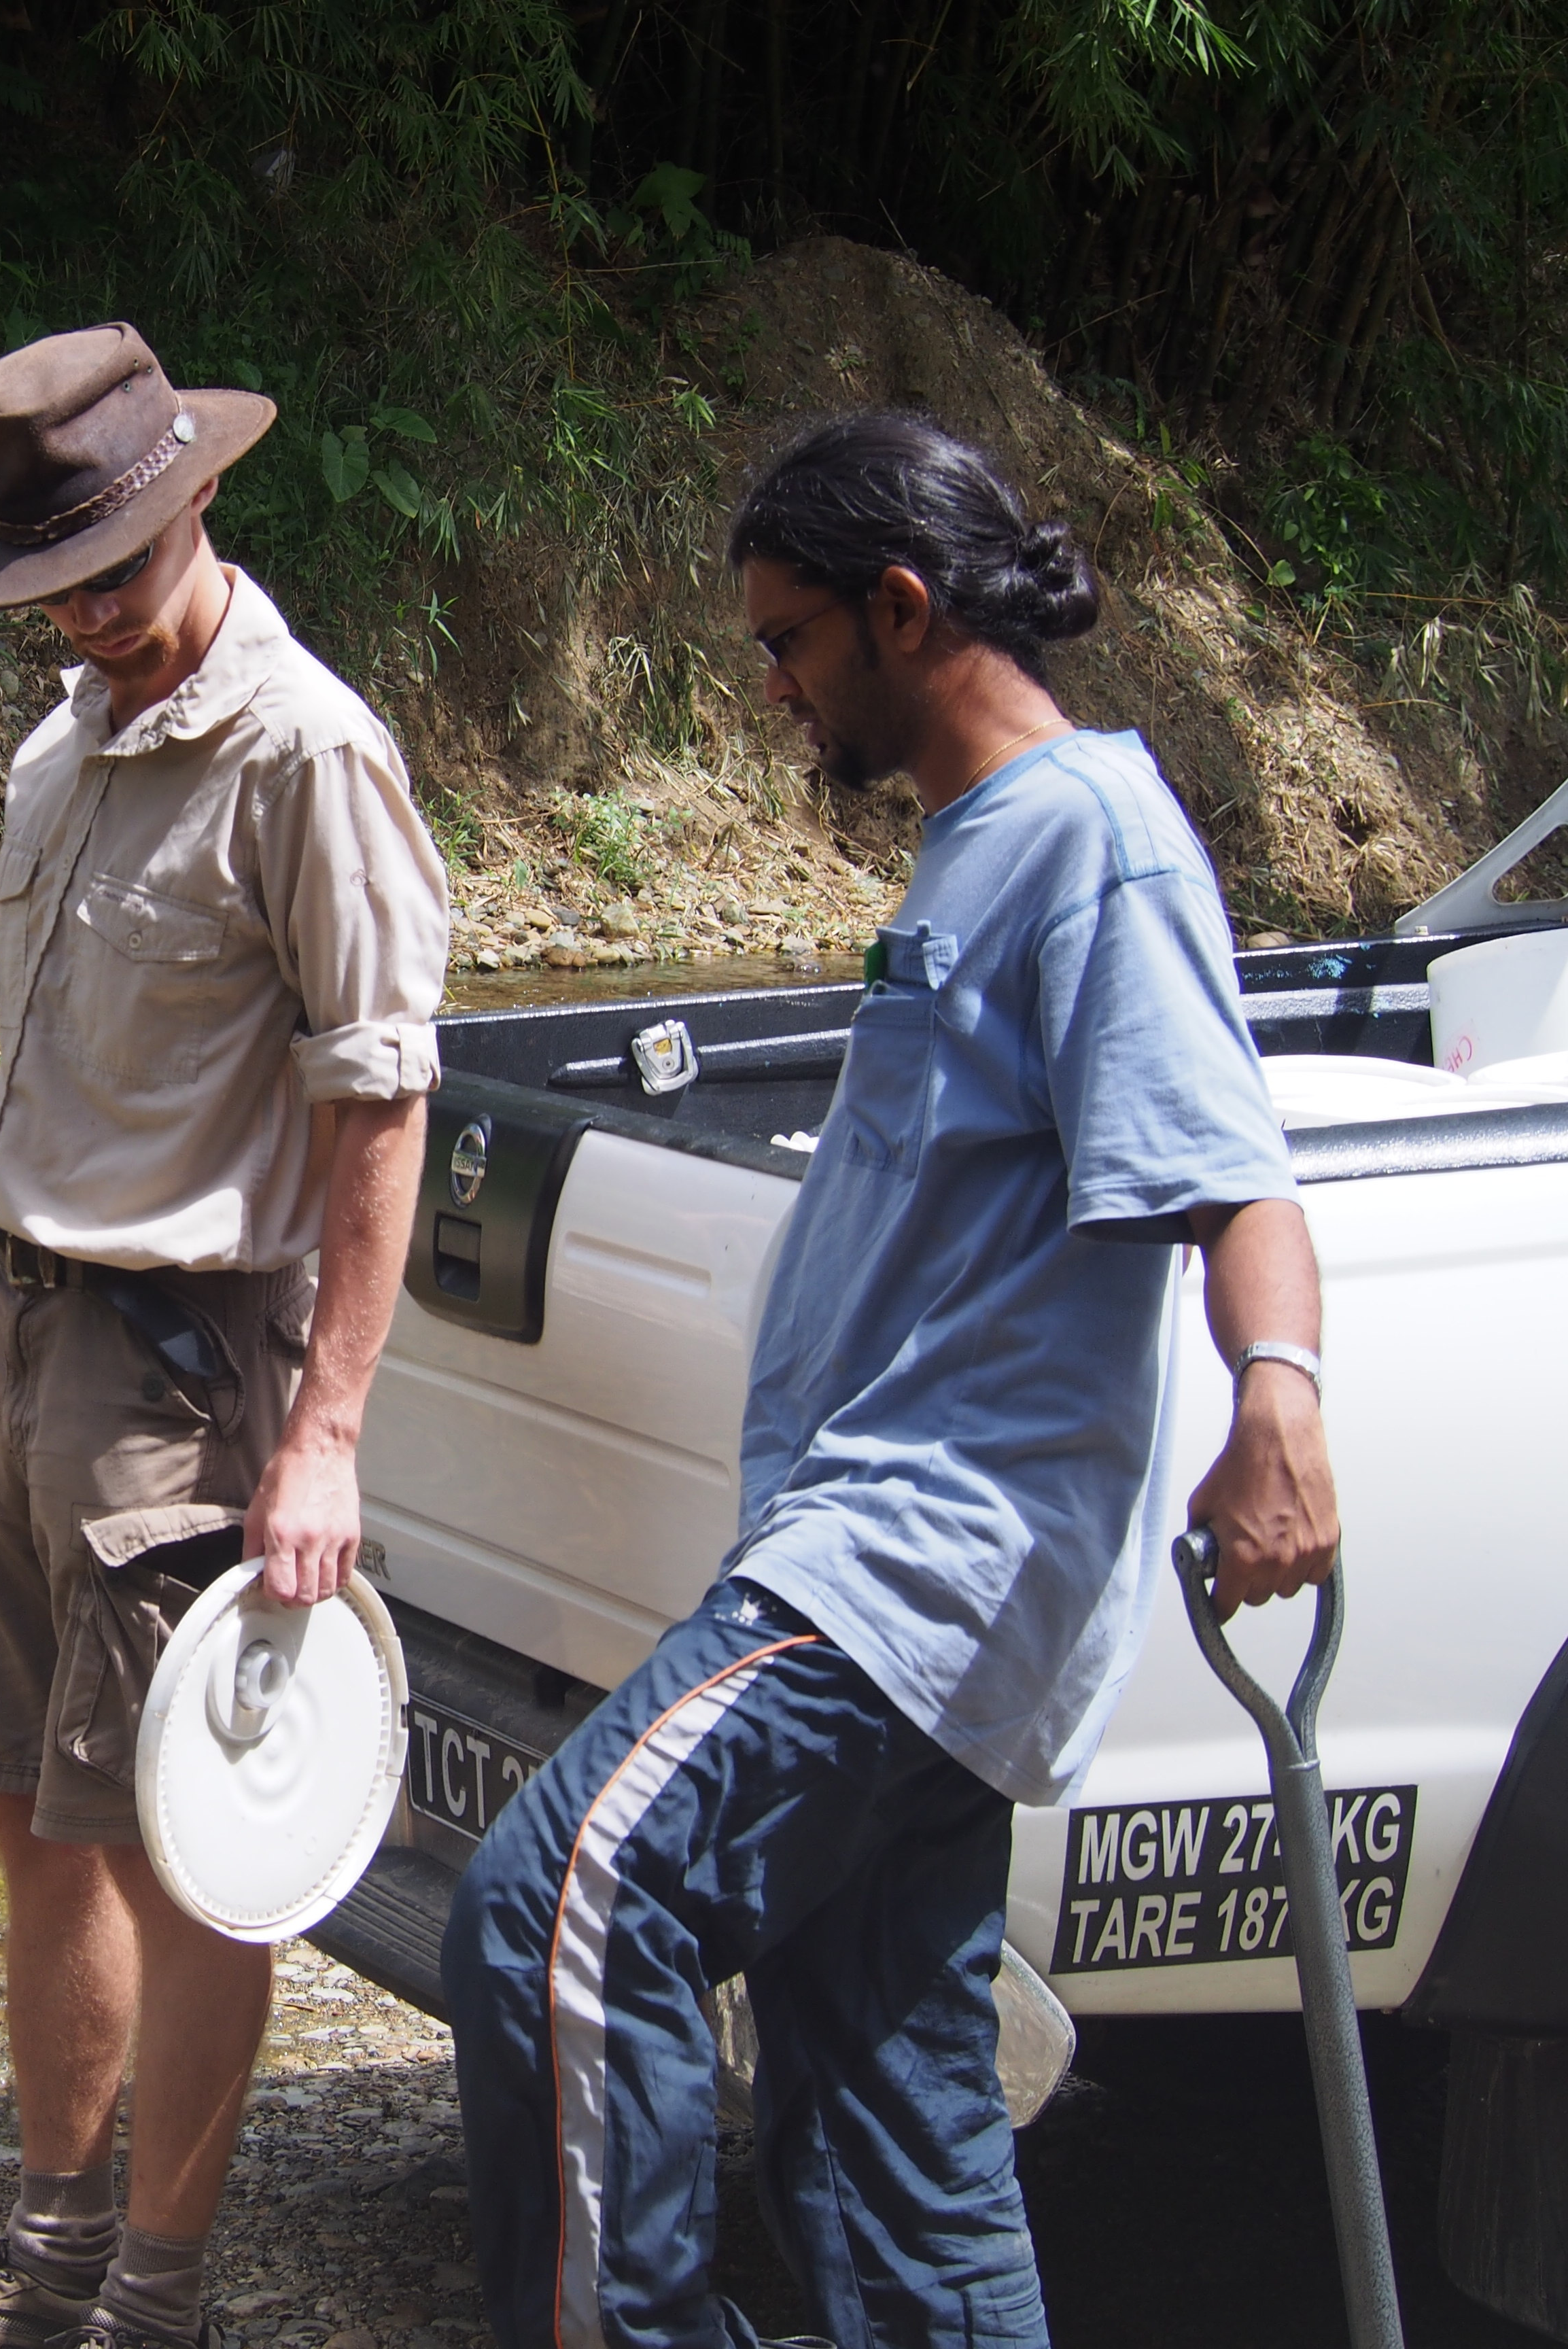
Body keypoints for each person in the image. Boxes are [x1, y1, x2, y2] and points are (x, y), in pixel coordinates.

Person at [441, 411, 1342, 2348]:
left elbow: (1230, 1169)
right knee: (885, 2134)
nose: (772, 687)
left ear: (904, 608)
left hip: (914, 1572)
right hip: (905, 1591)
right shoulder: (984, 845)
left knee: (555, 1912)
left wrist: (1280, 1395)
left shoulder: (1095, 841)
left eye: (790, 643)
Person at [0, 323, 453, 2349]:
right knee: (32, 1816)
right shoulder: (62, 743)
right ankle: (49, 2250)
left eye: (115, 578)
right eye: (53, 592)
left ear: (200, 499)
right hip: (26, 1328)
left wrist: (333, 1434)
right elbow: (59, 1083)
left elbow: (379, 1101)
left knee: (192, 1846)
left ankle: (162, 2285)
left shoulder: (307, 751)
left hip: (199, 1368)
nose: (92, 622)